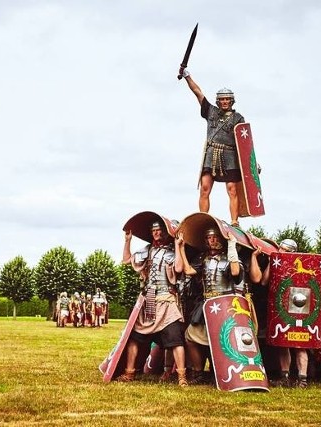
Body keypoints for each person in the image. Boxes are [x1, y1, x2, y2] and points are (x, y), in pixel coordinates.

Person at [175, 227, 253, 384]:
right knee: (191, 337)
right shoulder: (202, 259)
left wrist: (232, 246)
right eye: (209, 237)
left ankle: (221, 371)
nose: (213, 240)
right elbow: (188, 270)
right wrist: (181, 248)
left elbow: (236, 272)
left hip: (226, 306)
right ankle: (198, 373)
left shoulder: (230, 258)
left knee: (225, 340)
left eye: (216, 237)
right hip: (206, 305)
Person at [119, 221, 188, 386]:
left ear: (166, 232)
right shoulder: (148, 250)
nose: (156, 233)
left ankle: (181, 377)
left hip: (167, 299)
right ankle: (129, 373)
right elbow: (126, 260)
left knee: (175, 339)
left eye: (159, 230)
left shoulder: (173, 251)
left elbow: (178, 269)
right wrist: (128, 240)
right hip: (149, 298)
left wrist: (178, 246)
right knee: (135, 337)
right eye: (153, 230)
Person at [179, 67, 245, 225]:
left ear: (231, 101)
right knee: (205, 188)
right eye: (222, 99)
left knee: (232, 189)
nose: (224, 101)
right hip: (211, 154)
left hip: (230, 155)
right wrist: (187, 76)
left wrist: (252, 163)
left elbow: (244, 143)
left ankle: (234, 221)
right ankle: (202, 217)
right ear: (218, 101)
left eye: (227, 99)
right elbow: (197, 92)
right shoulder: (211, 112)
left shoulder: (238, 118)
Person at [262, 238, 311, 388]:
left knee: (299, 345)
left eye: (285, 250)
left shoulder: (303, 263)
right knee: (283, 343)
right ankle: (285, 378)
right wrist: (271, 262)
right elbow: (264, 281)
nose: (281, 252)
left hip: (300, 308)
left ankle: (302, 379)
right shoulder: (276, 264)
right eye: (280, 249)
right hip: (282, 307)